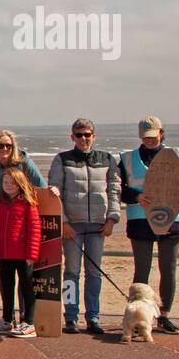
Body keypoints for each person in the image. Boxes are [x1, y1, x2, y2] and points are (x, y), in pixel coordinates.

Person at [118, 116, 179, 334]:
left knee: (168, 269)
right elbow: (116, 188)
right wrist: (135, 195)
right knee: (142, 269)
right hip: (140, 220)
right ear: (141, 136)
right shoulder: (127, 158)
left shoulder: (177, 155)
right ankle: (138, 317)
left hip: (172, 219)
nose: (150, 140)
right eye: (146, 137)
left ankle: (165, 315)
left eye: (154, 136)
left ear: (162, 133)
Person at [47, 118, 120, 334]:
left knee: (94, 273)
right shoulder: (62, 159)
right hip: (72, 227)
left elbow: (114, 190)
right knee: (71, 272)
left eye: (87, 134)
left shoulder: (107, 159)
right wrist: (64, 223)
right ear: (73, 137)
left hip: (98, 226)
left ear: (93, 136)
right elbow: (54, 191)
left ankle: (93, 317)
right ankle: (71, 317)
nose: (84, 139)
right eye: (79, 135)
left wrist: (111, 219)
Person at [0, 169, 41, 338]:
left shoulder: (27, 203)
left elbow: (34, 229)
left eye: (12, 183)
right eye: (6, 183)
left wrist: (31, 255)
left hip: (23, 254)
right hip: (4, 254)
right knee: (6, 287)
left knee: (27, 288)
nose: (9, 186)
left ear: (20, 184)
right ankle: (7, 320)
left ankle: (29, 323)